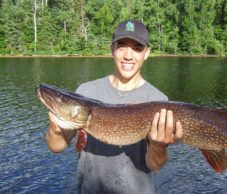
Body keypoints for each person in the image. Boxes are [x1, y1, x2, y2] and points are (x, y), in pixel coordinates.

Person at [45, 19, 183, 194]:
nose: (128, 55)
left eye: (137, 48)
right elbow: (56, 147)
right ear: (112, 49)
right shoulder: (86, 91)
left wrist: (159, 146)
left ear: (146, 53)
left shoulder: (158, 100)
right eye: (121, 46)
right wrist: (55, 131)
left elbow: (155, 166)